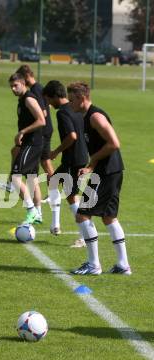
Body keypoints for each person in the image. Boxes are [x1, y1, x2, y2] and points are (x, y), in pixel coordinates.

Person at [67, 82, 130, 275]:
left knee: (82, 214)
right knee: (109, 217)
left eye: (71, 100)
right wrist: (91, 166)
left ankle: (93, 264)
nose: (70, 104)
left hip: (108, 173)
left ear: (81, 98)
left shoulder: (95, 116)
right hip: (108, 171)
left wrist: (93, 160)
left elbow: (114, 143)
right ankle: (123, 265)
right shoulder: (87, 117)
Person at [42, 80, 88, 247]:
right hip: (79, 156)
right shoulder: (75, 108)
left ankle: (84, 237)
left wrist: (55, 151)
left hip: (73, 159)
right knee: (53, 181)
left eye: (47, 99)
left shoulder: (62, 112)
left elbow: (72, 136)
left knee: (71, 196)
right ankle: (55, 225)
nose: (47, 103)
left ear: (54, 96)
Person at [8, 73, 46, 224]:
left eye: (15, 85)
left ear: (23, 83)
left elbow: (42, 120)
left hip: (32, 143)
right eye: (11, 86)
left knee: (15, 178)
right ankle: (39, 214)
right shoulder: (22, 100)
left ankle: (32, 211)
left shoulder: (29, 99)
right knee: (32, 180)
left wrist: (22, 132)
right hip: (31, 143)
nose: (13, 88)